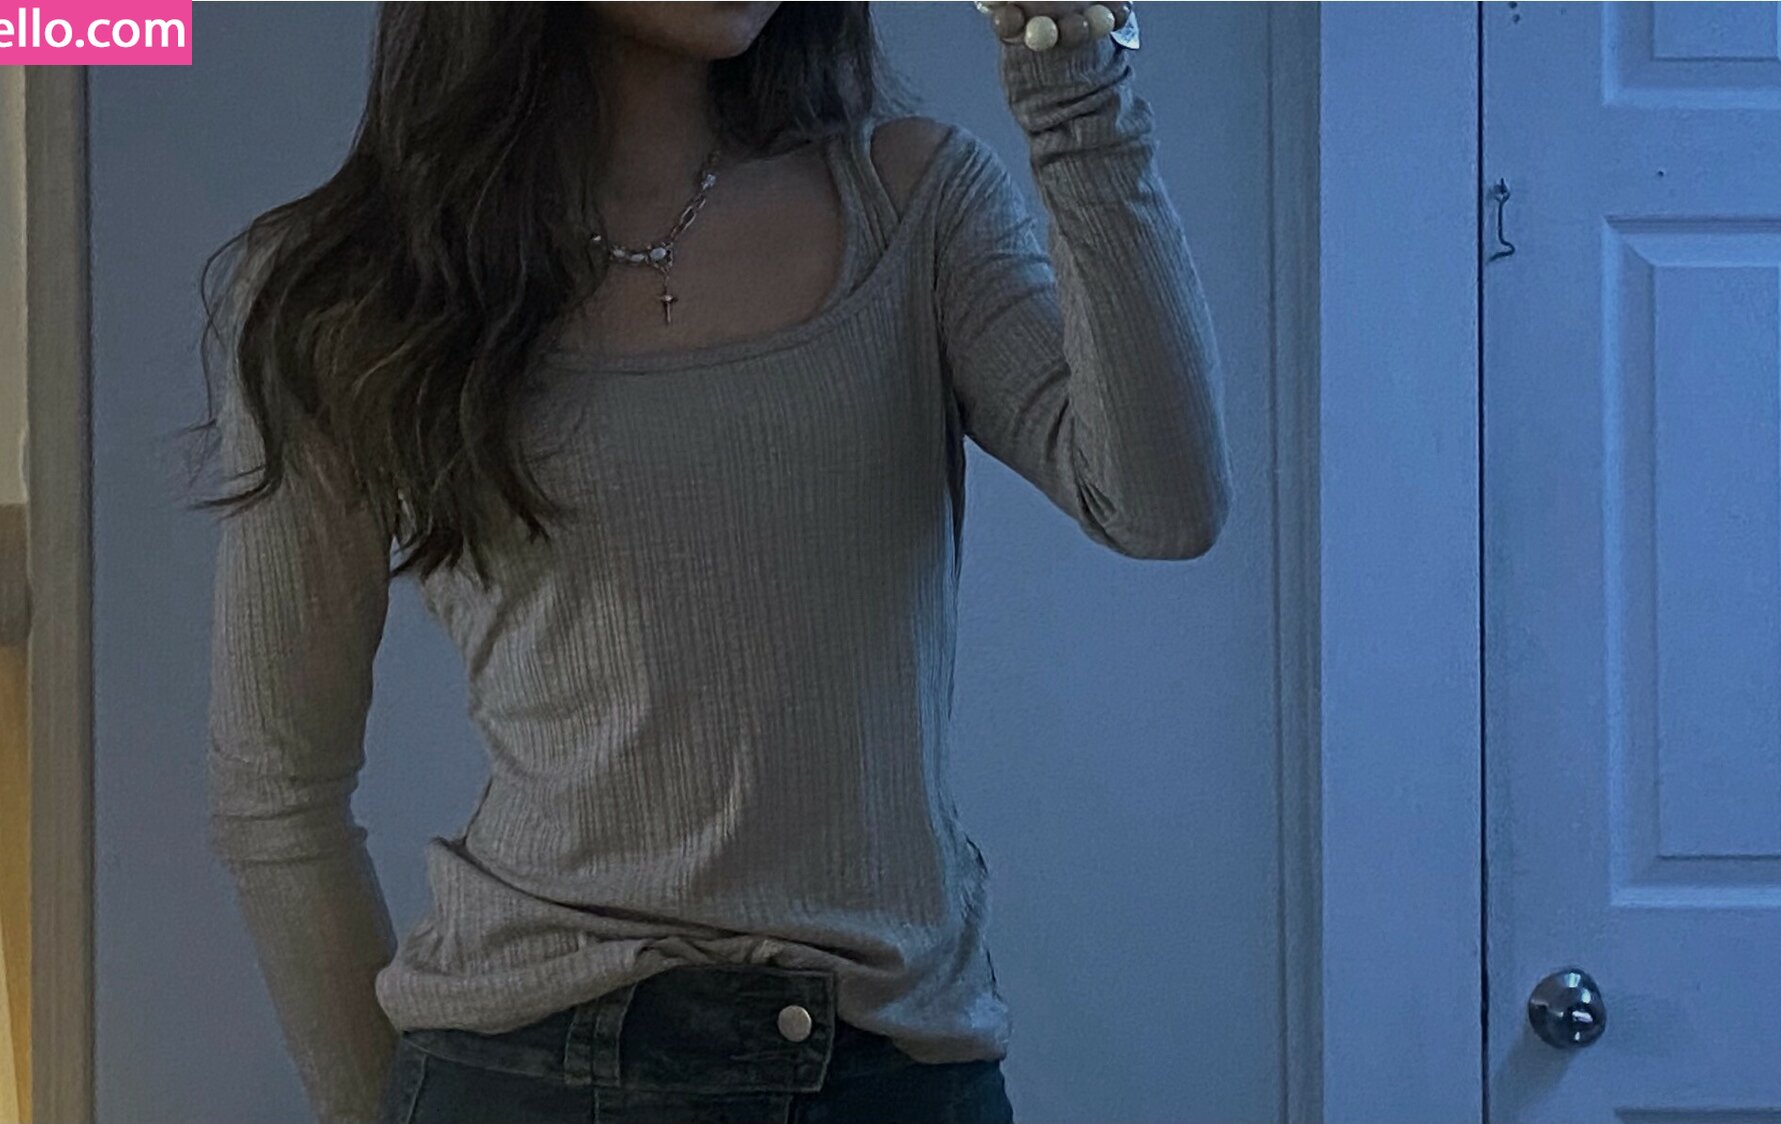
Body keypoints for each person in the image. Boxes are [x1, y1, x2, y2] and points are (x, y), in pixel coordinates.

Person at [199, 2, 1232, 1121]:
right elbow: (277, 789)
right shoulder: (350, 287)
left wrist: (1072, 77)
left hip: (889, 1074)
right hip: (528, 1071)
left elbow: (1162, 501)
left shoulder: (913, 206)